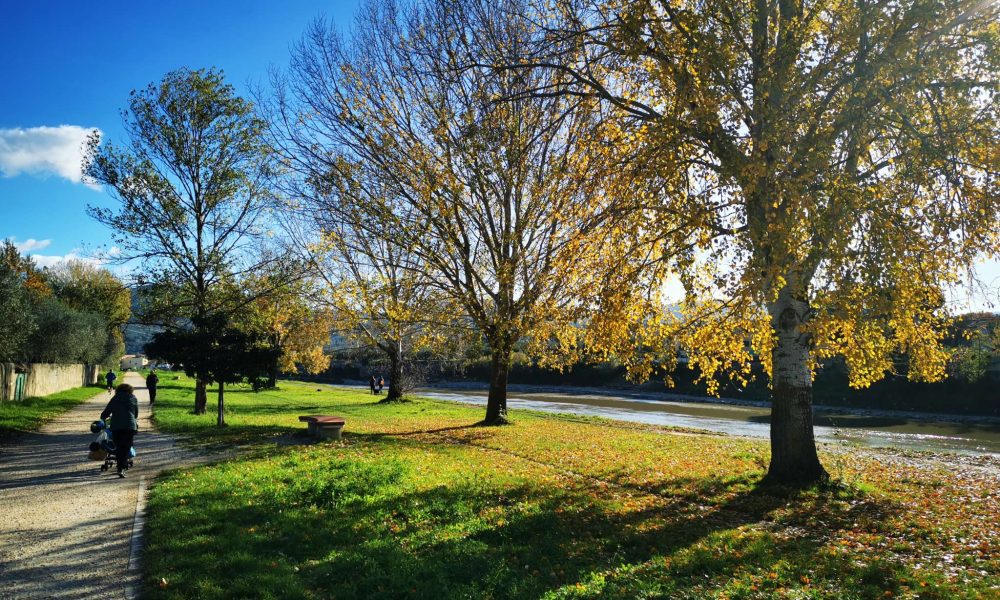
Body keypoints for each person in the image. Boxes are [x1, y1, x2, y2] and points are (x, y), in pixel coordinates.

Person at [100, 383, 138, 478]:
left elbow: (107, 411)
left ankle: (121, 467)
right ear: (130, 390)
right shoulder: (133, 398)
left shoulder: (115, 398)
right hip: (130, 426)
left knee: (119, 446)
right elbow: (136, 413)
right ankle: (121, 468)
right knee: (125, 447)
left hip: (116, 426)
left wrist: (103, 417)